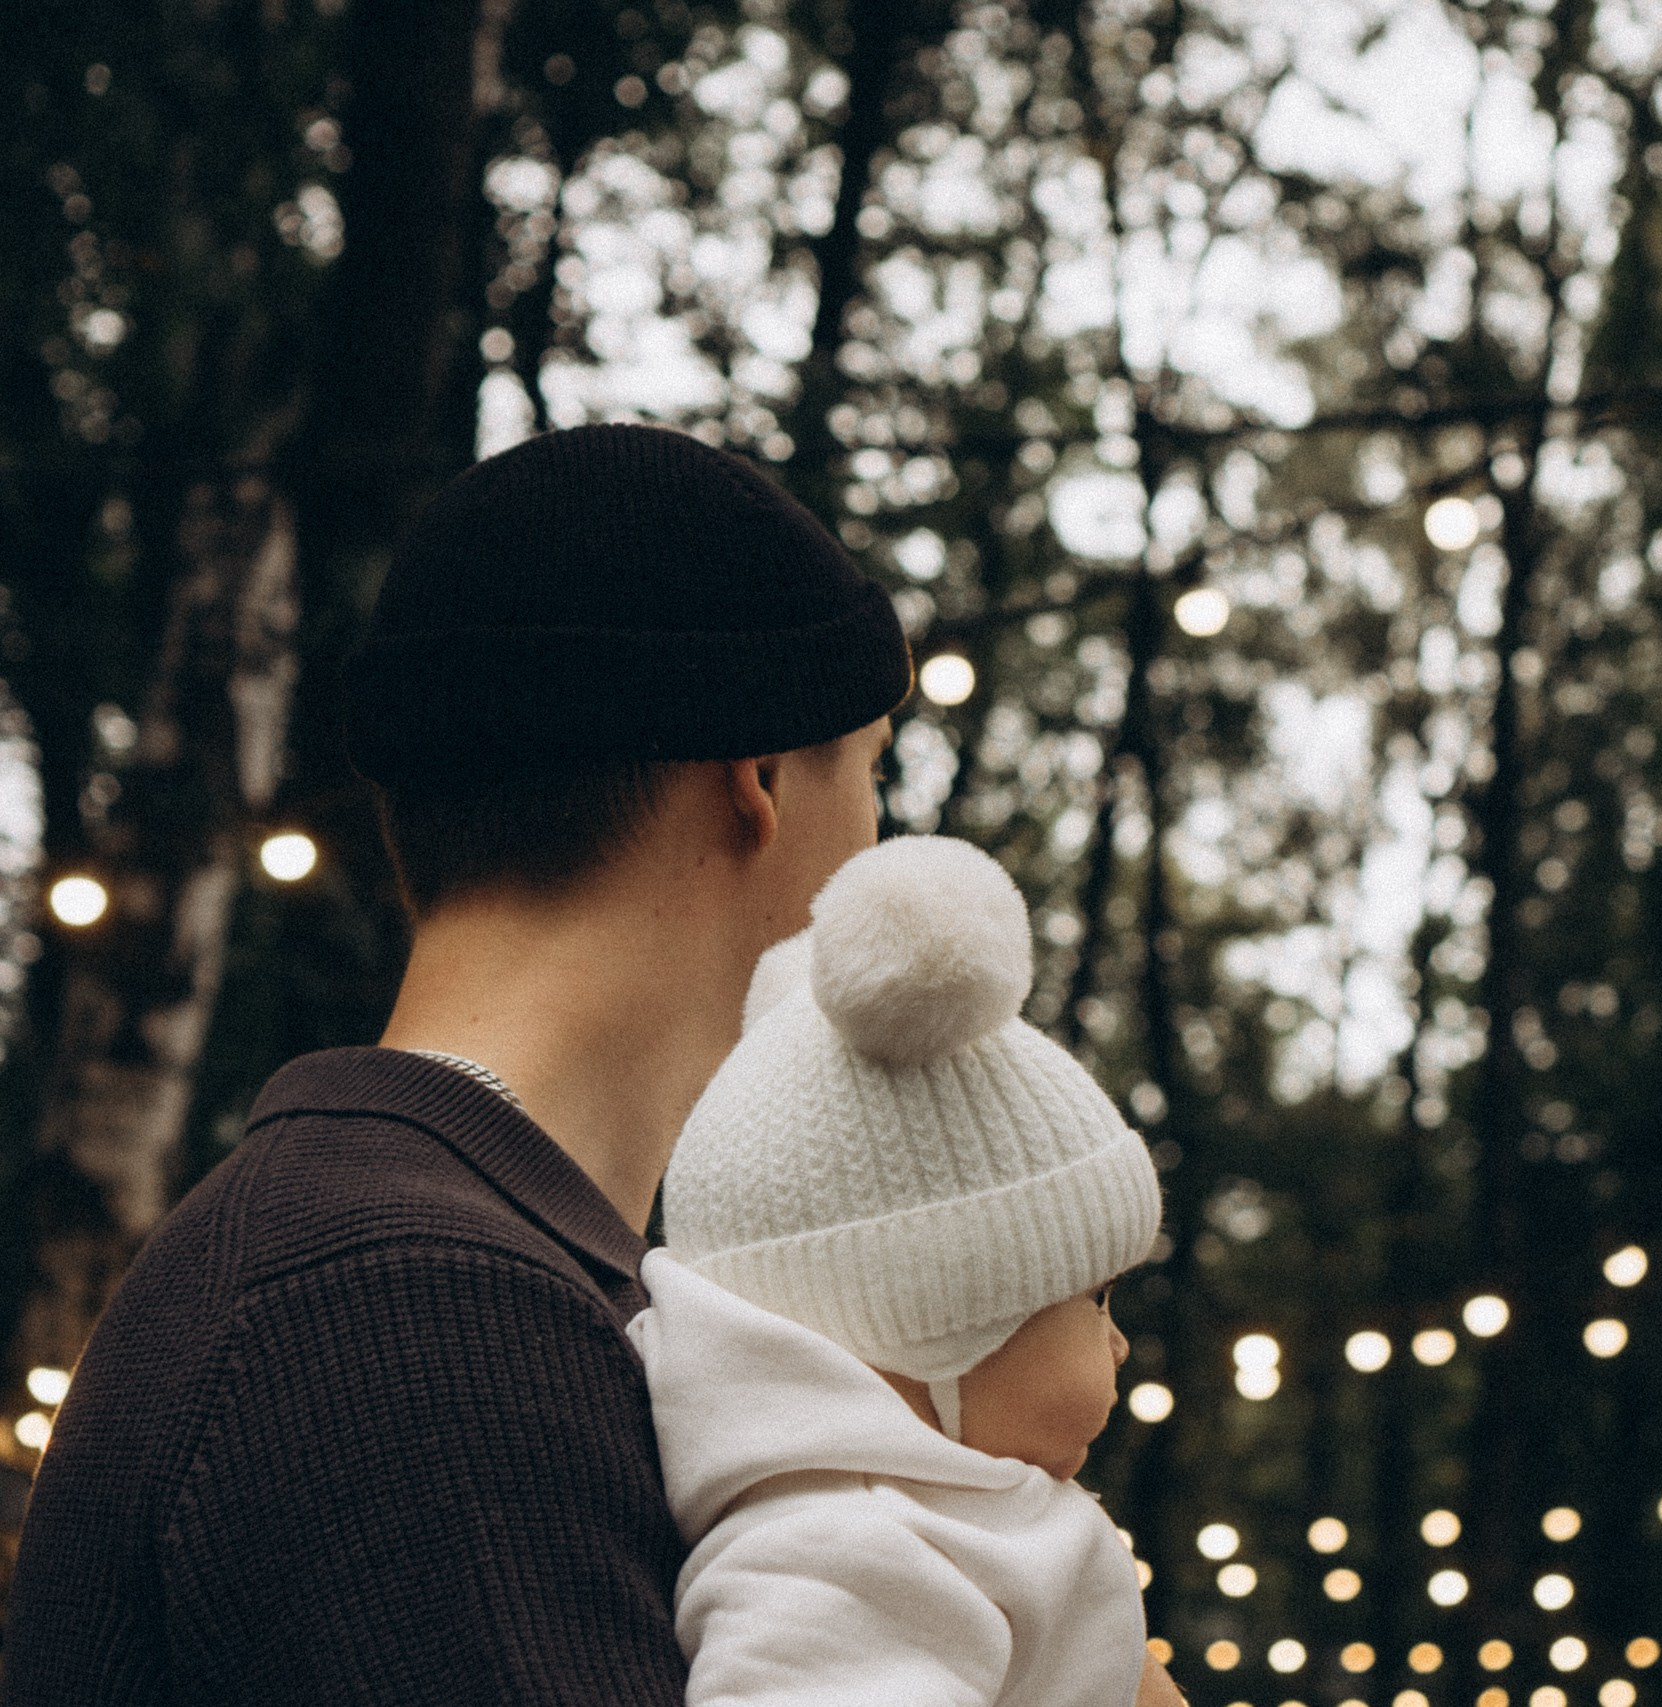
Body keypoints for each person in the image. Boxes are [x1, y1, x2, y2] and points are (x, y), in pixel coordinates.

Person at [2, 423, 911, 1704]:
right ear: (755, 779)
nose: (885, 846)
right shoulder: (415, 1310)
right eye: (873, 772)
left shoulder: (405, 1261)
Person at [630, 833, 1183, 1706]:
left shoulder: (953, 1520)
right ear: (938, 1317)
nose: (1118, 1343)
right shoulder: (843, 1553)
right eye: (1095, 1295)